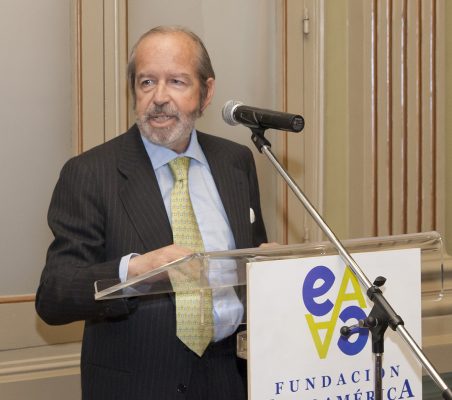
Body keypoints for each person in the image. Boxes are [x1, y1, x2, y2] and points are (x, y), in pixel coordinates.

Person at [36, 25, 267, 399]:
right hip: (138, 384)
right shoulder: (90, 173)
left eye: (176, 81)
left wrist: (270, 268)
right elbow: (54, 295)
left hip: (229, 378)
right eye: (147, 82)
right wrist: (134, 272)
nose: (159, 97)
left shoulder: (235, 162)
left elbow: (246, 264)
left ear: (206, 92)